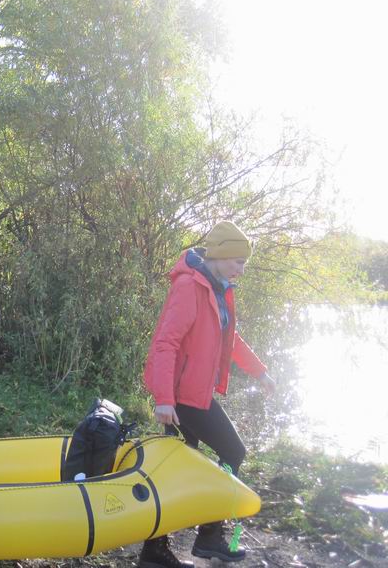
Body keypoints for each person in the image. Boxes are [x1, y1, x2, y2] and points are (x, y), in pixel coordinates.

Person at [138, 221, 277, 568]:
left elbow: (230, 340)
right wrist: (164, 398)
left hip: (194, 394)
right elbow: (165, 343)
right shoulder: (190, 286)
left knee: (176, 469)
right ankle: (207, 536)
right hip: (182, 398)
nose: (242, 269)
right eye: (239, 261)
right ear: (221, 254)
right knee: (232, 450)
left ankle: (162, 549)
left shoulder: (219, 288)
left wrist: (260, 372)